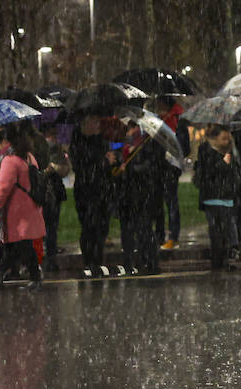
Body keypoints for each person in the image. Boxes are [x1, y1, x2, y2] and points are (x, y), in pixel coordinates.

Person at [0, 125, 45, 288]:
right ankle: (6, 275)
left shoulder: (10, 161)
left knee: (19, 246)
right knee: (17, 247)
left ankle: (4, 275)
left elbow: (2, 189)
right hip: (28, 209)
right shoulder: (27, 156)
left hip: (16, 213)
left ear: (4, 141)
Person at [115, 122, 163, 275]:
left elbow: (149, 167)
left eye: (131, 128)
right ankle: (133, 261)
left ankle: (149, 261)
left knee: (144, 229)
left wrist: (128, 168)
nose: (129, 132)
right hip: (128, 196)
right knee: (129, 231)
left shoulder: (147, 144)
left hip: (142, 195)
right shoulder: (129, 145)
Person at [69, 115, 115, 276]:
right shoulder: (78, 141)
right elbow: (82, 166)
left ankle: (98, 261)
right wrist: (103, 162)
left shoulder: (101, 139)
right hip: (86, 190)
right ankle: (89, 261)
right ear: (85, 123)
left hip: (103, 190)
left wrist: (111, 162)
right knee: (89, 226)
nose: (98, 124)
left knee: (102, 227)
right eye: (94, 121)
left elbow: (105, 165)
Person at [193, 125, 241, 270]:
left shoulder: (231, 151)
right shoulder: (205, 151)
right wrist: (223, 164)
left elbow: (235, 173)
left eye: (228, 138)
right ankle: (217, 261)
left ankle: (225, 259)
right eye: (223, 138)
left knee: (226, 231)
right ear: (214, 139)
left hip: (227, 198)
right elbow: (207, 175)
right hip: (212, 198)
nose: (227, 141)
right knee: (215, 231)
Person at [155, 97, 183, 251]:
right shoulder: (159, 121)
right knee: (159, 201)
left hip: (171, 166)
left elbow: (182, 144)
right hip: (159, 166)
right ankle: (159, 235)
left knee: (171, 201)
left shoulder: (177, 120)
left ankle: (173, 235)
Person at [40, 127, 71, 267]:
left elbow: (65, 170)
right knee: (49, 226)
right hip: (46, 192)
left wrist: (54, 168)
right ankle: (48, 256)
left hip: (52, 193)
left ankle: (49, 256)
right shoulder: (41, 150)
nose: (54, 137)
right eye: (52, 134)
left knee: (50, 227)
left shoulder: (58, 151)